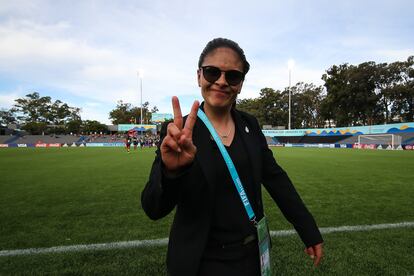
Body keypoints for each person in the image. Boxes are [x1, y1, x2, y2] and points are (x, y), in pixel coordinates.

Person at [141, 38, 323, 276]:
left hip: (250, 257)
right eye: (212, 72)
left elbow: (276, 179)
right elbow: (153, 208)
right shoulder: (178, 131)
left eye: (233, 76)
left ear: (240, 84)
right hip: (201, 262)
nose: (221, 82)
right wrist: (171, 172)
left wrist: (307, 228)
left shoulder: (250, 125)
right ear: (199, 76)